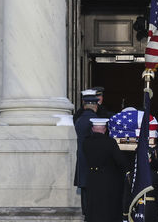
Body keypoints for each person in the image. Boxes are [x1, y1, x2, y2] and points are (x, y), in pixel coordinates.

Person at [81, 118, 128, 221]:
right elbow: (120, 160)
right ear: (105, 129)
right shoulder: (110, 142)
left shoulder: (86, 142)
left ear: (93, 129)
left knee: (93, 205)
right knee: (106, 207)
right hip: (107, 179)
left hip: (92, 178)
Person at [74, 89, 99, 219]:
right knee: (92, 190)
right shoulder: (94, 120)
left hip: (82, 158)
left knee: (85, 189)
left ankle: (86, 214)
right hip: (91, 159)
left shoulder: (79, 119)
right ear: (95, 106)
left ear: (84, 105)